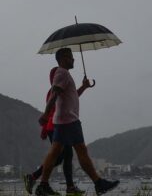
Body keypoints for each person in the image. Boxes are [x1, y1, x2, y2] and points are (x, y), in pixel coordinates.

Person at [34, 48, 119, 196]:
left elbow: (71, 96)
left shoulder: (64, 75)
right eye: (70, 57)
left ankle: (43, 185)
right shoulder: (62, 73)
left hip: (65, 120)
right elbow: (54, 95)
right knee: (80, 151)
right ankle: (98, 183)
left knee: (56, 153)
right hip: (69, 120)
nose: (73, 60)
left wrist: (84, 87)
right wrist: (46, 114)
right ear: (62, 58)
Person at [24, 67, 83, 196]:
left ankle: (36, 178)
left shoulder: (59, 89)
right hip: (57, 127)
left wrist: (84, 87)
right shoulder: (54, 91)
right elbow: (52, 108)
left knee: (63, 157)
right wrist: (45, 123)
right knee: (64, 156)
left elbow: (73, 96)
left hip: (57, 127)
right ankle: (67, 187)